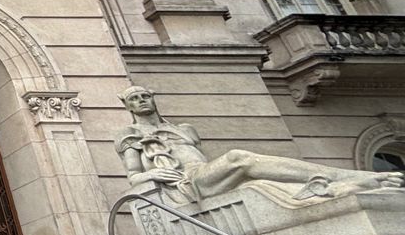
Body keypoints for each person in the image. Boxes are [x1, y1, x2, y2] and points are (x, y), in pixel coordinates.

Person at [116, 84, 403, 203]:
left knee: (265, 183)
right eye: (134, 99)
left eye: (145, 96)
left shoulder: (184, 130)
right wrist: (153, 173)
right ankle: (352, 177)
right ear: (127, 106)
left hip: (207, 177)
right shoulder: (131, 134)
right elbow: (134, 176)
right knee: (238, 158)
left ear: (153, 98)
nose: (142, 101)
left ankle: (341, 185)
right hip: (186, 183)